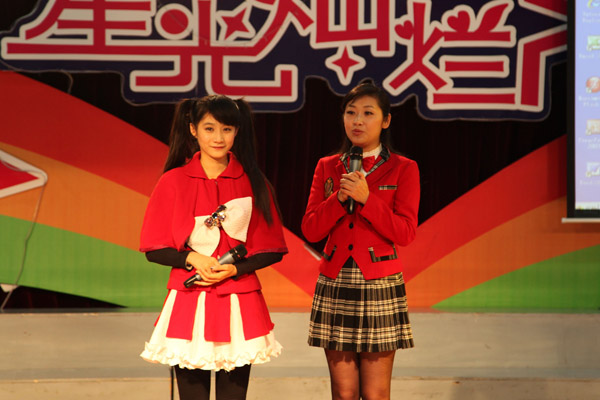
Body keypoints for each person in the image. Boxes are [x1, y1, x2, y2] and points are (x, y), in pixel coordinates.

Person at [139, 95, 288, 400]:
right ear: (193, 129)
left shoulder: (254, 181)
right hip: (189, 299)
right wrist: (193, 258)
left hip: (240, 301)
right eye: (209, 129)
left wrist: (234, 269)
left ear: (237, 131)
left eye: (227, 129)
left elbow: (272, 248)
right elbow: (154, 248)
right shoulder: (173, 181)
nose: (218, 138)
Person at [301, 82, 420, 400]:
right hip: (336, 279)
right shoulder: (328, 166)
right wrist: (339, 199)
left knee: (376, 393)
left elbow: (405, 232)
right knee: (343, 392)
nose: (357, 121)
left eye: (368, 113)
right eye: (351, 113)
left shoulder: (404, 168)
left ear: (385, 120)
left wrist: (368, 199)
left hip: (379, 282)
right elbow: (311, 230)